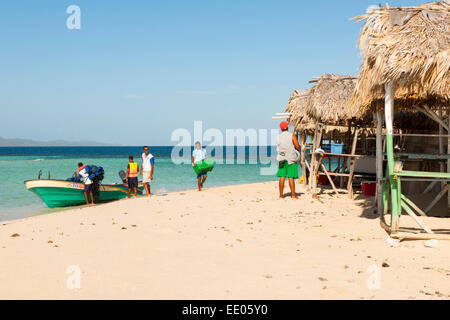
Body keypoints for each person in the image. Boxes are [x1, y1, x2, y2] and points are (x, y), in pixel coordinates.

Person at [276, 121, 300, 199]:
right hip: (291, 159)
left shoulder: (278, 137)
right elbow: (298, 147)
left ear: (281, 128)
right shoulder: (292, 136)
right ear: (287, 127)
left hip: (281, 158)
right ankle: (293, 195)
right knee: (290, 177)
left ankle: (281, 195)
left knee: (282, 177)